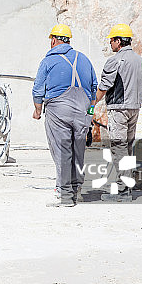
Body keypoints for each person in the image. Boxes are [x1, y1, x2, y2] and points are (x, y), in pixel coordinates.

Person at [32, 24, 98, 207]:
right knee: (78, 151)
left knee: (62, 150)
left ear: (54, 40)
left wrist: (37, 110)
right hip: (83, 111)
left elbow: (38, 90)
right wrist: (90, 114)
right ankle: (77, 190)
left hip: (58, 111)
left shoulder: (48, 61)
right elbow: (94, 90)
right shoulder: (84, 59)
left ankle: (65, 195)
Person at [95, 24, 142, 203]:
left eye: (111, 40)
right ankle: (127, 184)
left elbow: (104, 86)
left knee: (118, 148)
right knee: (128, 147)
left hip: (119, 109)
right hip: (135, 108)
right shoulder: (140, 61)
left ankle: (122, 190)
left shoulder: (115, 61)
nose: (110, 44)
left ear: (119, 41)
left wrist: (92, 103)